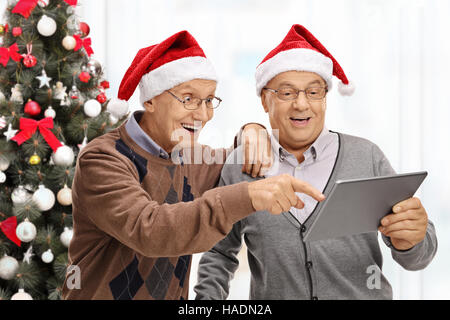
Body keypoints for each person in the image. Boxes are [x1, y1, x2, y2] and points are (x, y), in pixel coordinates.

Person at [62, 30, 325, 300]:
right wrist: (248, 196)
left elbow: (240, 161)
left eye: (209, 100)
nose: (203, 114)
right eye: (188, 99)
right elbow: (150, 230)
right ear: (151, 99)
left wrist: (252, 129)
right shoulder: (104, 158)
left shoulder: (190, 157)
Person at [194, 24, 437, 300]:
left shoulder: (366, 156)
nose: (301, 104)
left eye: (313, 92)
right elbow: (219, 253)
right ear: (264, 100)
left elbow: (417, 256)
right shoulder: (240, 167)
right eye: (287, 93)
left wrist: (412, 241)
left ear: (325, 98)